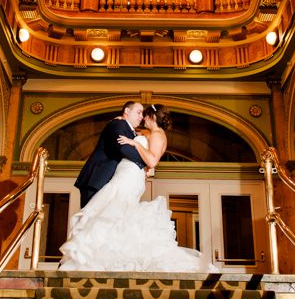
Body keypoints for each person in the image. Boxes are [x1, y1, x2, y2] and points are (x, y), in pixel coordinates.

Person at [59, 104, 218, 273]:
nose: (143, 118)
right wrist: (123, 120)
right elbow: (133, 135)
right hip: (127, 174)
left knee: (109, 210)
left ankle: (94, 255)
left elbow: (152, 161)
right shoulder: (149, 133)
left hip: (129, 176)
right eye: (140, 113)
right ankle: (108, 256)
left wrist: (135, 145)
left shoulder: (157, 135)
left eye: (145, 115)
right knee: (116, 214)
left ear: (152, 117)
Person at [73, 101, 145, 208]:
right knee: (90, 216)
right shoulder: (118, 124)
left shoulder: (131, 131)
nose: (141, 117)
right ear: (127, 111)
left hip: (109, 181)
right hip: (98, 178)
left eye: (142, 114)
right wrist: (145, 161)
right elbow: (123, 148)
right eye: (138, 112)